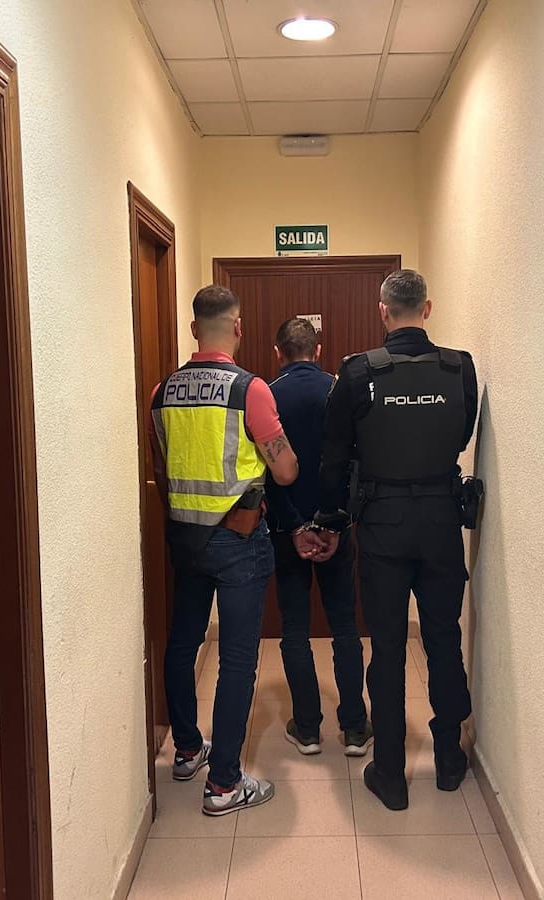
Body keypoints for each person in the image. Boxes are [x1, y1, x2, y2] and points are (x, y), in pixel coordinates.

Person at [313, 269, 478, 812]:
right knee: (444, 637)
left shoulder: (358, 372)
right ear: (427, 309)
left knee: (386, 647)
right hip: (441, 522)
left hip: (382, 526)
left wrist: (330, 519)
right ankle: (449, 760)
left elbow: (334, 456)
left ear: (382, 311)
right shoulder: (459, 368)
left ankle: (389, 773)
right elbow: (460, 436)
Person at [148, 285, 298, 817]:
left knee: (182, 643)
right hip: (237, 540)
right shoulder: (249, 390)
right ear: (237, 328)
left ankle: (188, 750)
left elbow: (163, 467)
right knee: (236, 659)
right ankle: (225, 784)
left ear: (194, 329)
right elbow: (285, 470)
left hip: (185, 539)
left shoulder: (162, 392)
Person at [264, 318, 373, 758]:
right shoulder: (338, 390)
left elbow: (268, 473)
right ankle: (355, 728)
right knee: (345, 626)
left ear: (278, 353)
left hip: (286, 530)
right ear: (319, 350)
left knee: (294, 628)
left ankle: (307, 728)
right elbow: (354, 465)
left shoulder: (266, 395)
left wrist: (294, 527)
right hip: (336, 528)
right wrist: (334, 525)